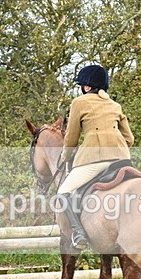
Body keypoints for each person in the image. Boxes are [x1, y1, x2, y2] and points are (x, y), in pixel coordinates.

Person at [57, 64, 134, 250]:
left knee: (63, 191)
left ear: (87, 86)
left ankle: (78, 233)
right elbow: (130, 139)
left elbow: (72, 138)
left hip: (95, 159)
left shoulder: (79, 102)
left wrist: (65, 157)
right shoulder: (115, 105)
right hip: (122, 158)